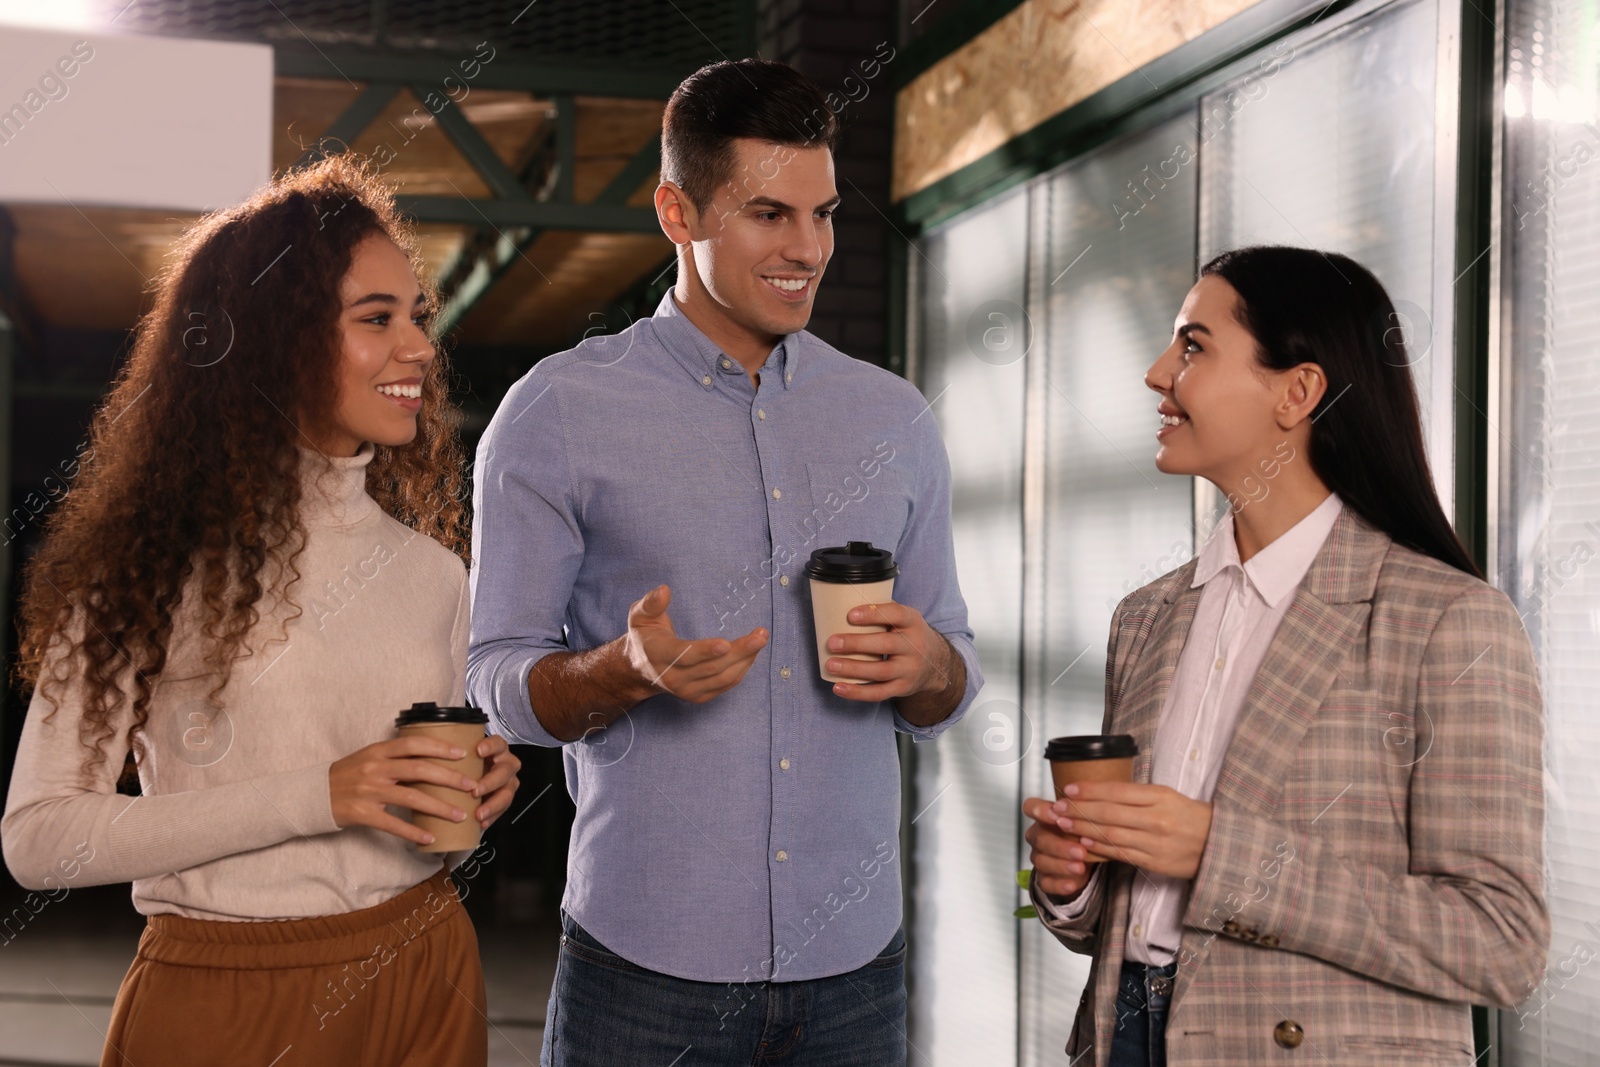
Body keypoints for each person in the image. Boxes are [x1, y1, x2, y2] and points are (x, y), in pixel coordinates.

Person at [468, 58, 982, 1065]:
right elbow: (493, 678)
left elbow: (949, 674)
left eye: (824, 213)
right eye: (768, 214)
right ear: (676, 211)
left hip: (854, 968)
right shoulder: (557, 409)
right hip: (642, 967)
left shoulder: (893, 416)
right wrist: (617, 673)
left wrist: (929, 668)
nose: (808, 248)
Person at [1, 155, 521, 1066]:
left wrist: (475, 789)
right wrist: (322, 794)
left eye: (417, 318)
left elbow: (423, 830)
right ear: (275, 336)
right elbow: (39, 840)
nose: (419, 349)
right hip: (223, 996)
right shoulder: (145, 569)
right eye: (376, 319)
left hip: (429, 964)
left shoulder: (437, 573)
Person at [1022, 246, 1548, 1066]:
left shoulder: (1447, 622)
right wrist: (1073, 883)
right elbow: (1125, 913)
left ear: (1298, 391)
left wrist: (1218, 854)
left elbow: (1499, 942)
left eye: (1193, 345)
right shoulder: (1148, 616)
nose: (1159, 373)